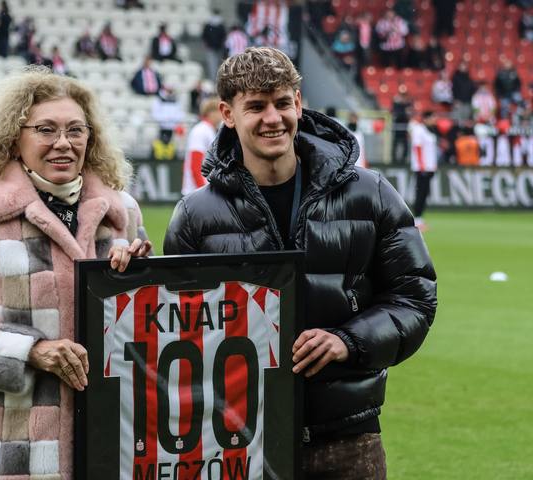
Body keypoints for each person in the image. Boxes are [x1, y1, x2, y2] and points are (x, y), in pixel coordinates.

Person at [163, 47, 436, 479]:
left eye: (282, 103)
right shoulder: (195, 215)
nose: (273, 118)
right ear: (227, 114)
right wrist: (129, 273)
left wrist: (349, 341)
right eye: (256, 106)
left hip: (348, 439)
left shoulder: (371, 193)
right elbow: (174, 329)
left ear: (298, 103)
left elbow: (415, 296)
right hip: (238, 444)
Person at [0, 67, 152, 480]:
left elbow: (148, 338)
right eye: (45, 130)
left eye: (76, 130)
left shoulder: (121, 211)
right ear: (13, 137)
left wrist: (139, 284)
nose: (63, 143)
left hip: (103, 450)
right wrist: (31, 350)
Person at [181, 96, 220, 195]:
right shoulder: (201, 130)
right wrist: (203, 192)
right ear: (211, 112)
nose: (222, 114)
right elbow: (195, 165)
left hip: (201, 190)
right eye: (219, 110)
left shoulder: (208, 130)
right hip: (196, 192)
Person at [409, 110, 438, 232]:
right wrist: (421, 165)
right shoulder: (419, 129)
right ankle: (416, 219)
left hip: (429, 167)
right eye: (432, 118)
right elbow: (418, 148)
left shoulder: (430, 131)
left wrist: (433, 165)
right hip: (422, 168)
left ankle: (420, 218)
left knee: (425, 193)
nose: (434, 120)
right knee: (420, 193)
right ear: (426, 118)